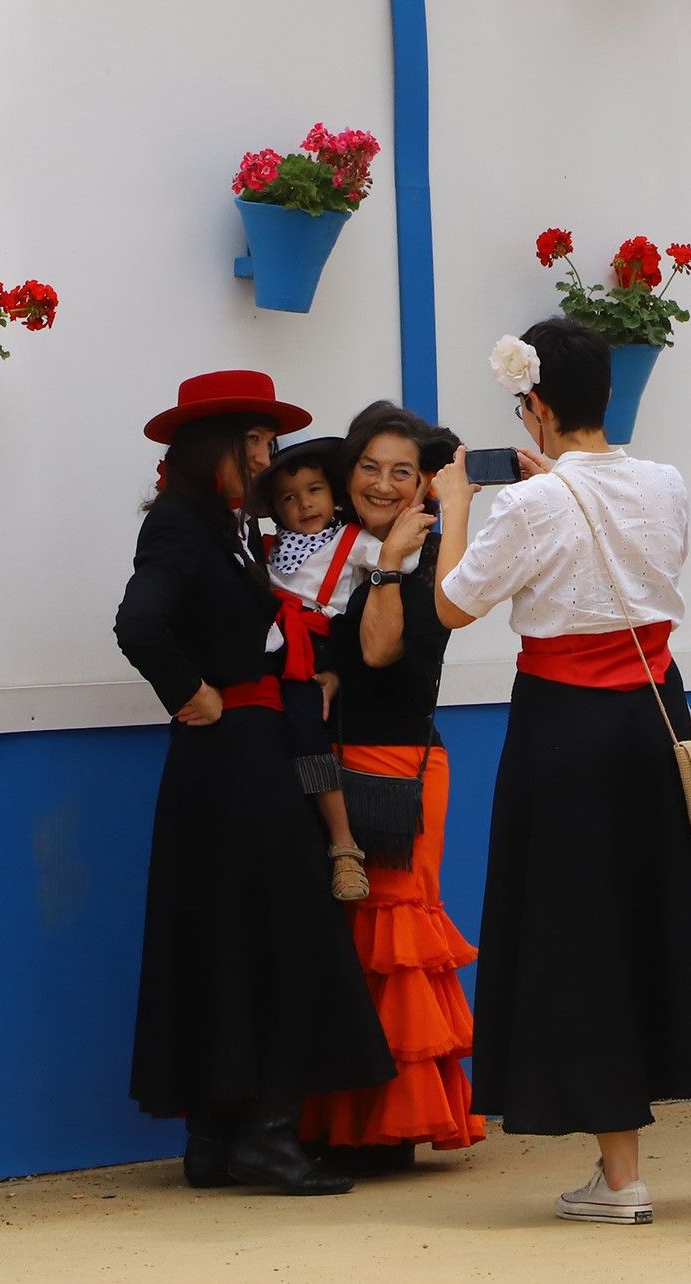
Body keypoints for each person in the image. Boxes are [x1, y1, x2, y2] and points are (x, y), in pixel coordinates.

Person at [432, 318, 691, 1225]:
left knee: (582, 929)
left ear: (536, 405)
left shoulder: (528, 503)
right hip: (660, 710)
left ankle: (621, 1174)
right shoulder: (664, 483)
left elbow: (452, 607)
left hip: (565, 731)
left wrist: (459, 504)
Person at [114, 369, 395, 1197]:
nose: (272, 459)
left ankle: (215, 1137)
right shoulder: (182, 525)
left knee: (224, 935)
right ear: (224, 446)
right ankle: (268, 1134)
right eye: (262, 443)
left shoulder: (219, 525)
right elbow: (139, 622)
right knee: (286, 933)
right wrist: (189, 690)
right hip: (237, 757)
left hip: (233, 761)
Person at [296, 401, 486, 1168]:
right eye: (368, 467)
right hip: (332, 767)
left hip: (398, 767)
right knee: (346, 946)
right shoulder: (323, 550)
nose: (381, 483)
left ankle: (392, 1128)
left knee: (395, 943)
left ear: (421, 485)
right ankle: (339, 1122)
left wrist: (389, 562)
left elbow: (380, 653)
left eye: (400, 471)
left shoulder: (434, 551)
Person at [253, 425, 419, 903]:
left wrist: (415, 518)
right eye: (287, 498)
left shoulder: (354, 541)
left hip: (316, 650)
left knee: (306, 728)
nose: (303, 504)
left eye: (314, 490)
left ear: (333, 491)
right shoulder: (269, 551)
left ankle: (344, 846)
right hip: (273, 649)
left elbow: (400, 564)